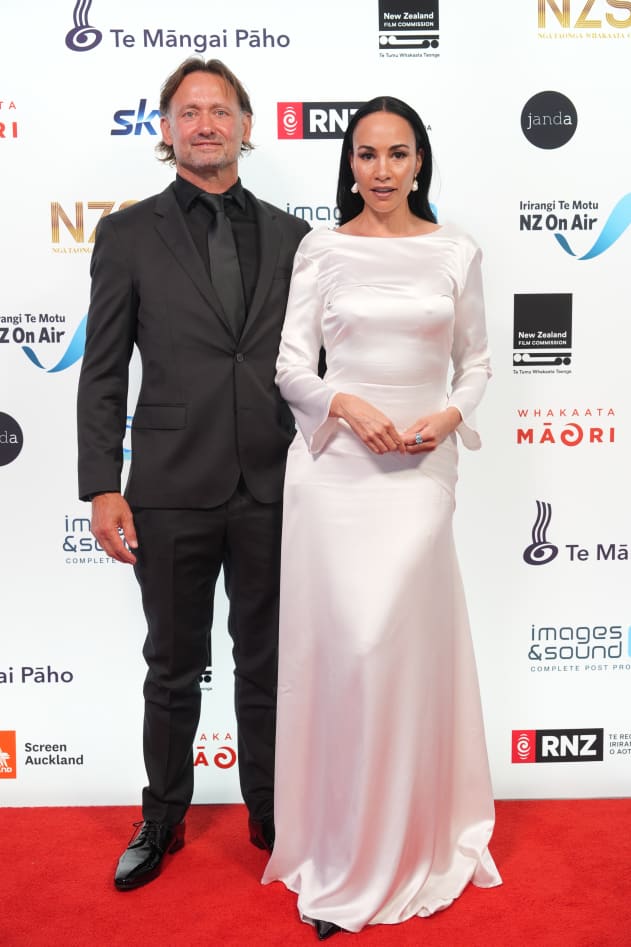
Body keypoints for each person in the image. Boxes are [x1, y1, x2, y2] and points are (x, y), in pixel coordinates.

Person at [262, 96, 501, 938]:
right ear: (350, 164)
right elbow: (291, 364)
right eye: (366, 155)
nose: (383, 170)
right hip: (334, 469)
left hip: (420, 468)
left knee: (393, 650)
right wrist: (346, 403)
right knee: (349, 655)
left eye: (398, 154)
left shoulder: (456, 249)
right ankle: (340, 848)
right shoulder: (321, 248)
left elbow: (476, 361)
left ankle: (411, 838)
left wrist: (447, 416)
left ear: (419, 160)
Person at [76, 57, 309, 891]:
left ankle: (274, 813)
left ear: (246, 124)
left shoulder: (294, 237)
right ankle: (163, 814)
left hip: (275, 482)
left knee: (268, 663)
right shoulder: (127, 235)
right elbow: (103, 369)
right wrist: (102, 483)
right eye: (188, 111)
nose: (204, 123)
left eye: (219, 110)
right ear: (166, 129)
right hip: (169, 484)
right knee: (172, 664)